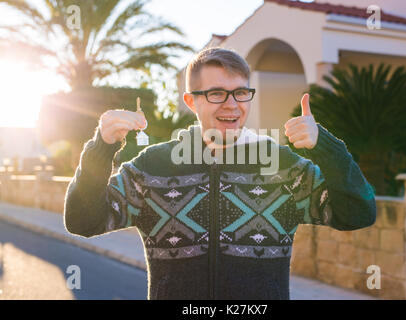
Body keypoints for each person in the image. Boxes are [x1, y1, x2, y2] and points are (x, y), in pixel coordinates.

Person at [64, 47, 376, 300]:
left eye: (241, 93)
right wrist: (101, 148)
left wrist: (326, 147)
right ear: (191, 101)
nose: (232, 105)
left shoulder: (280, 166)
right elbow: (83, 220)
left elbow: (358, 213)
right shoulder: (153, 167)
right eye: (216, 94)